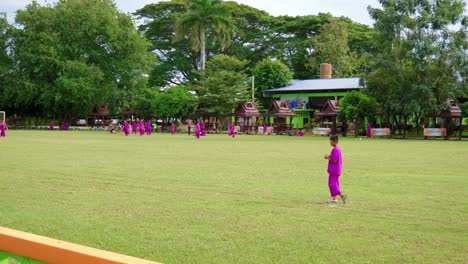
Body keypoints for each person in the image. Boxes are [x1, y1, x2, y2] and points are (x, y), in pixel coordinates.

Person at [324, 135, 347, 204]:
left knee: (332, 184)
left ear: (334, 142)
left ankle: (342, 195)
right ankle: (334, 199)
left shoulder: (335, 149)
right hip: (336, 170)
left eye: (331, 141)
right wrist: (329, 156)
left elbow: (334, 160)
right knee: (335, 183)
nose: (330, 143)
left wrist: (327, 158)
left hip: (334, 170)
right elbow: (334, 157)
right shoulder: (337, 149)